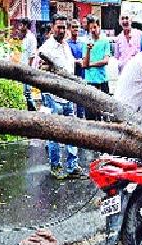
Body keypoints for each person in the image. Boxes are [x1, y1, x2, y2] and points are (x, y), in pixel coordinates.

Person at [39, 14, 83, 179]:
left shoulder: (66, 46)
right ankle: (55, 166)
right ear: (52, 28)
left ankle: (72, 166)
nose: (62, 30)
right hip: (53, 97)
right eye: (59, 27)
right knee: (54, 132)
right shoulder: (45, 49)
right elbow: (41, 72)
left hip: (68, 96)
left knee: (72, 131)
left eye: (64, 27)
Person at [82, 15, 110, 120]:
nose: (93, 30)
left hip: (102, 80)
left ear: (99, 26)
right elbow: (84, 64)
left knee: (104, 112)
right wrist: (89, 49)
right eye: (91, 28)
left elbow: (106, 61)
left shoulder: (105, 41)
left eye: (95, 27)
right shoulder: (86, 42)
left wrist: (91, 64)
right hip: (90, 81)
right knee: (90, 114)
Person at [19, 18, 37, 111]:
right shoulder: (25, 38)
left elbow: (32, 55)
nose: (19, 27)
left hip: (27, 69)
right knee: (25, 91)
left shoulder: (31, 38)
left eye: (21, 25)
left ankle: (33, 110)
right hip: (23, 68)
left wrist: (28, 69)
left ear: (25, 26)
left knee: (27, 92)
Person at [67, 19, 84, 118]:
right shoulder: (66, 44)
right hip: (71, 73)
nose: (75, 29)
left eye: (77, 27)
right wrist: (76, 61)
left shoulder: (83, 43)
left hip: (82, 73)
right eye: (73, 27)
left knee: (81, 98)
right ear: (70, 29)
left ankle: (81, 118)